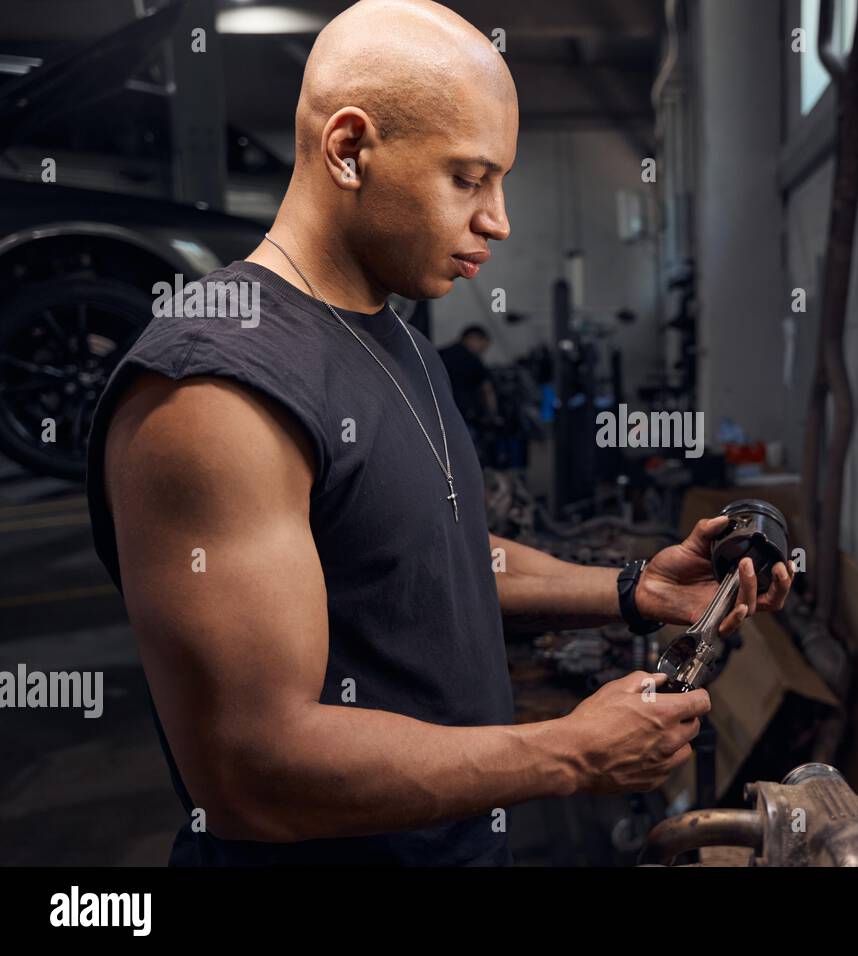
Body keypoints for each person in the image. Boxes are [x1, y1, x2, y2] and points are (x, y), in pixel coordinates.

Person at [83, 0, 791, 865]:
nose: (498, 218)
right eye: (468, 178)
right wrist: (567, 752)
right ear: (349, 149)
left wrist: (636, 588)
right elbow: (250, 772)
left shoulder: (404, 345)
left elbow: (433, 551)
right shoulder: (213, 389)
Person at [438, 324, 498, 423]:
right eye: (483, 345)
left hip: (436, 409)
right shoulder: (474, 361)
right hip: (463, 413)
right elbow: (487, 391)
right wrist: (493, 415)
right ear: (472, 339)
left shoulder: (440, 353)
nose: (483, 350)